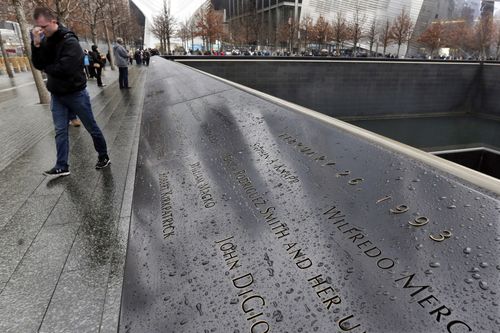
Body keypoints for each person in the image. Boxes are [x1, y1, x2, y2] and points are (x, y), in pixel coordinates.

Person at [31, 7, 110, 176]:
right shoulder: (44, 40)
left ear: (53, 21)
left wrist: (47, 68)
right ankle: (62, 165)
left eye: (43, 27)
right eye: (38, 28)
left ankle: (104, 156)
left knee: (91, 127)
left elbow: (65, 68)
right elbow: (38, 64)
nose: (40, 31)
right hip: (57, 95)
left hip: (76, 94)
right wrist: (36, 44)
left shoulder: (70, 41)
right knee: (60, 130)